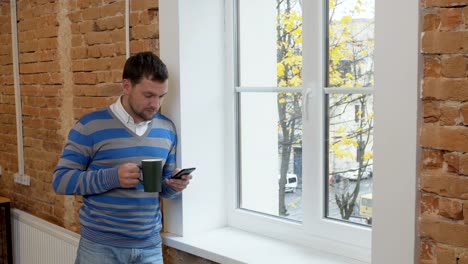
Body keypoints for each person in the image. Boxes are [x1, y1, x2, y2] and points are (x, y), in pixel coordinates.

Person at [53, 51, 192, 264]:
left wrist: (174, 185)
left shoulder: (167, 129)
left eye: (161, 96)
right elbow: (61, 181)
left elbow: (161, 189)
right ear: (126, 86)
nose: (156, 104)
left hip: (150, 248)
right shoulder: (90, 126)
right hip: (100, 248)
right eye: (148, 95)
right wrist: (113, 177)